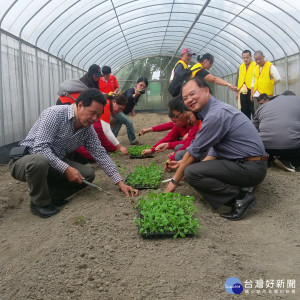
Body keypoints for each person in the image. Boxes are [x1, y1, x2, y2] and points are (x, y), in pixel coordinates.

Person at [8, 89, 138, 218]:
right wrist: (66, 168)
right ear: (80, 105)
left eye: (98, 115)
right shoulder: (54, 114)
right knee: (39, 161)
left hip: (52, 164)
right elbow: (40, 149)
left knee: (87, 174)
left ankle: (50, 196)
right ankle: (39, 204)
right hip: (25, 161)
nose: (95, 119)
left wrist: (120, 183)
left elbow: (101, 155)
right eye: (92, 113)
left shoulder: (87, 129)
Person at [165, 77, 268, 221]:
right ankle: (242, 189)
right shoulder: (213, 110)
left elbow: (194, 151)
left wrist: (174, 181)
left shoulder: (215, 115)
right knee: (194, 167)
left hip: (250, 167)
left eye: (192, 94)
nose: (189, 100)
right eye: (185, 98)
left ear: (206, 90)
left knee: (191, 172)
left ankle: (241, 197)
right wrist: (187, 164)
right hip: (249, 163)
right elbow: (214, 149)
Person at [253, 94, 300, 172]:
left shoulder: (263, 107)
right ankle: (291, 161)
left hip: (266, 148)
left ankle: (269, 159)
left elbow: (253, 129)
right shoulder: (297, 101)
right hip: (292, 147)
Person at [76, 94, 129, 159]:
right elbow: (106, 131)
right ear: (114, 102)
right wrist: (119, 147)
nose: (119, 111)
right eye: (119, 108)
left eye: (121, 110)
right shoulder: (106, 105)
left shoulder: (106, 104)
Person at [112, 77, 148, 145]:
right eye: (141, 85)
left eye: (144, 86)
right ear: (137, 84)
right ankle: (133, 141)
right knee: (129, 123)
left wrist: (132, 110)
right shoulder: (131, 90)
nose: (142, 87)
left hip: (122, 111)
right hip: (117, 109)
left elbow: (131, 102)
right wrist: (135, 94)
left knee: (116, 127)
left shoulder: (138, 93)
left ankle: (111, 142)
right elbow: (129, 97)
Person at [235, 50, 256, 119]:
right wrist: (237, 92)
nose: (245, 59)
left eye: (247, 57)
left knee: (254, 110)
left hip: (252, 91)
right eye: (244, 58)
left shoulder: (256, 66)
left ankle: (256, 127)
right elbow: (237, 79)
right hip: (242, 92)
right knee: (244, 112)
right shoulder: (240, 67)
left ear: (251, 57)